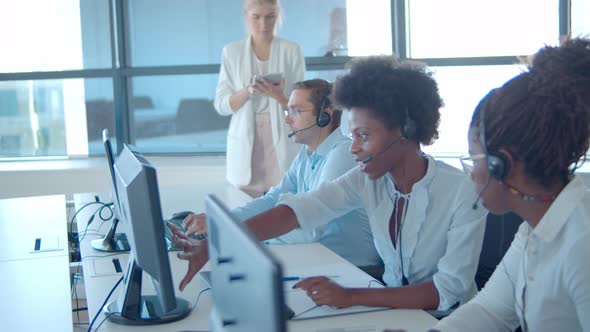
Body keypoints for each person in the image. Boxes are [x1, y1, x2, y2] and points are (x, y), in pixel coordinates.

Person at [170, 56, 486, 312]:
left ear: (406, 130)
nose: (352, 147)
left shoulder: (461, 191)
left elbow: (447, 290)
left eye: (363, 135)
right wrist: (217, 242)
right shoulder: (366, 180)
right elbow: (295, 211)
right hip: (393, 313)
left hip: (448, 321)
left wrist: (352, 296)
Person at [434, 38, 590, 331]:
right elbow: (490, 310)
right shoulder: (535, 227)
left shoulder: (582, 242)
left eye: (473, 157)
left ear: (501, 164)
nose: (471, 173)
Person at [182, 79, 380, 268]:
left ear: (324, 116)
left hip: (352, 268)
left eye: (296, 111)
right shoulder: (308, 152)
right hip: (316, 257)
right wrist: (222, 221)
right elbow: (271, 200)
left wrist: (238, 234)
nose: (287, 119)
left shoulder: (343, 154)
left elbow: (312, 228)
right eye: (288, 110)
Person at [214, 0, 305, 198]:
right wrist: (248, 91)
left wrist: (278, 96)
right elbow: (222, 105)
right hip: (246, 139)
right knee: (244, 210)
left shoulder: (292, 50)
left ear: (278, 16)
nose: (263, 24)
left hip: (281, 137)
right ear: (246, 16)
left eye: (270, 16)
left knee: (283, 201)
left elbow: (303, 107)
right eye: (256, 17)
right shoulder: (231, 52)